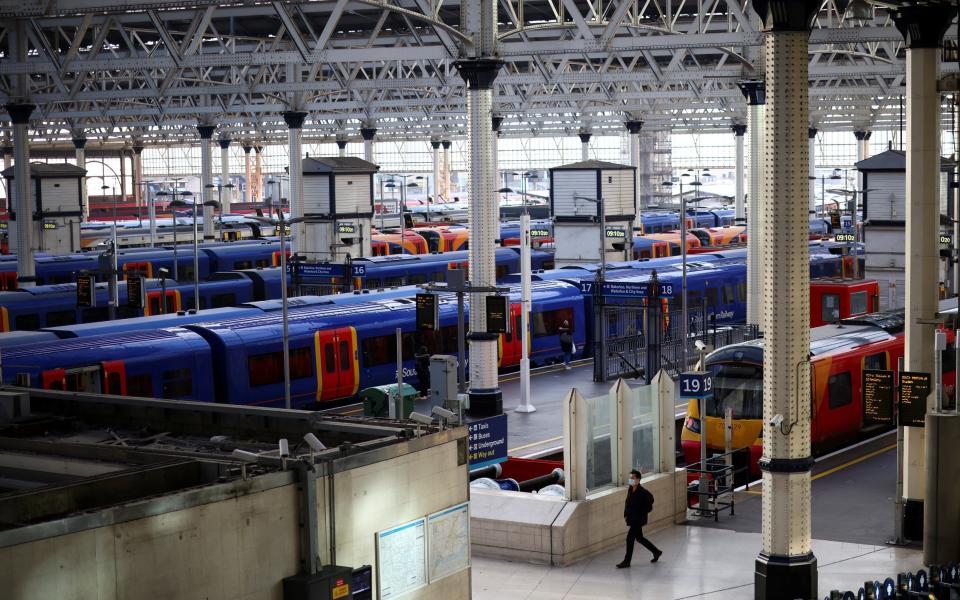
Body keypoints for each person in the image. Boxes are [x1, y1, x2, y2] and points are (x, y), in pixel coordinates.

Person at [616, 469, 662, 568]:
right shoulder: (630, 489)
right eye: (630, 478)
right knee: (639, 538)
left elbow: (650, 503)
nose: (631, 479)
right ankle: (656, 551)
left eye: (633, 478)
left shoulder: (642, 492)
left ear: (638, 480)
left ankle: (627, 561)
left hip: (638, 520)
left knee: (629, 539)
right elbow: (627, 502)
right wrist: (626, 514)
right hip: (632, 519)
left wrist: (641, 513)